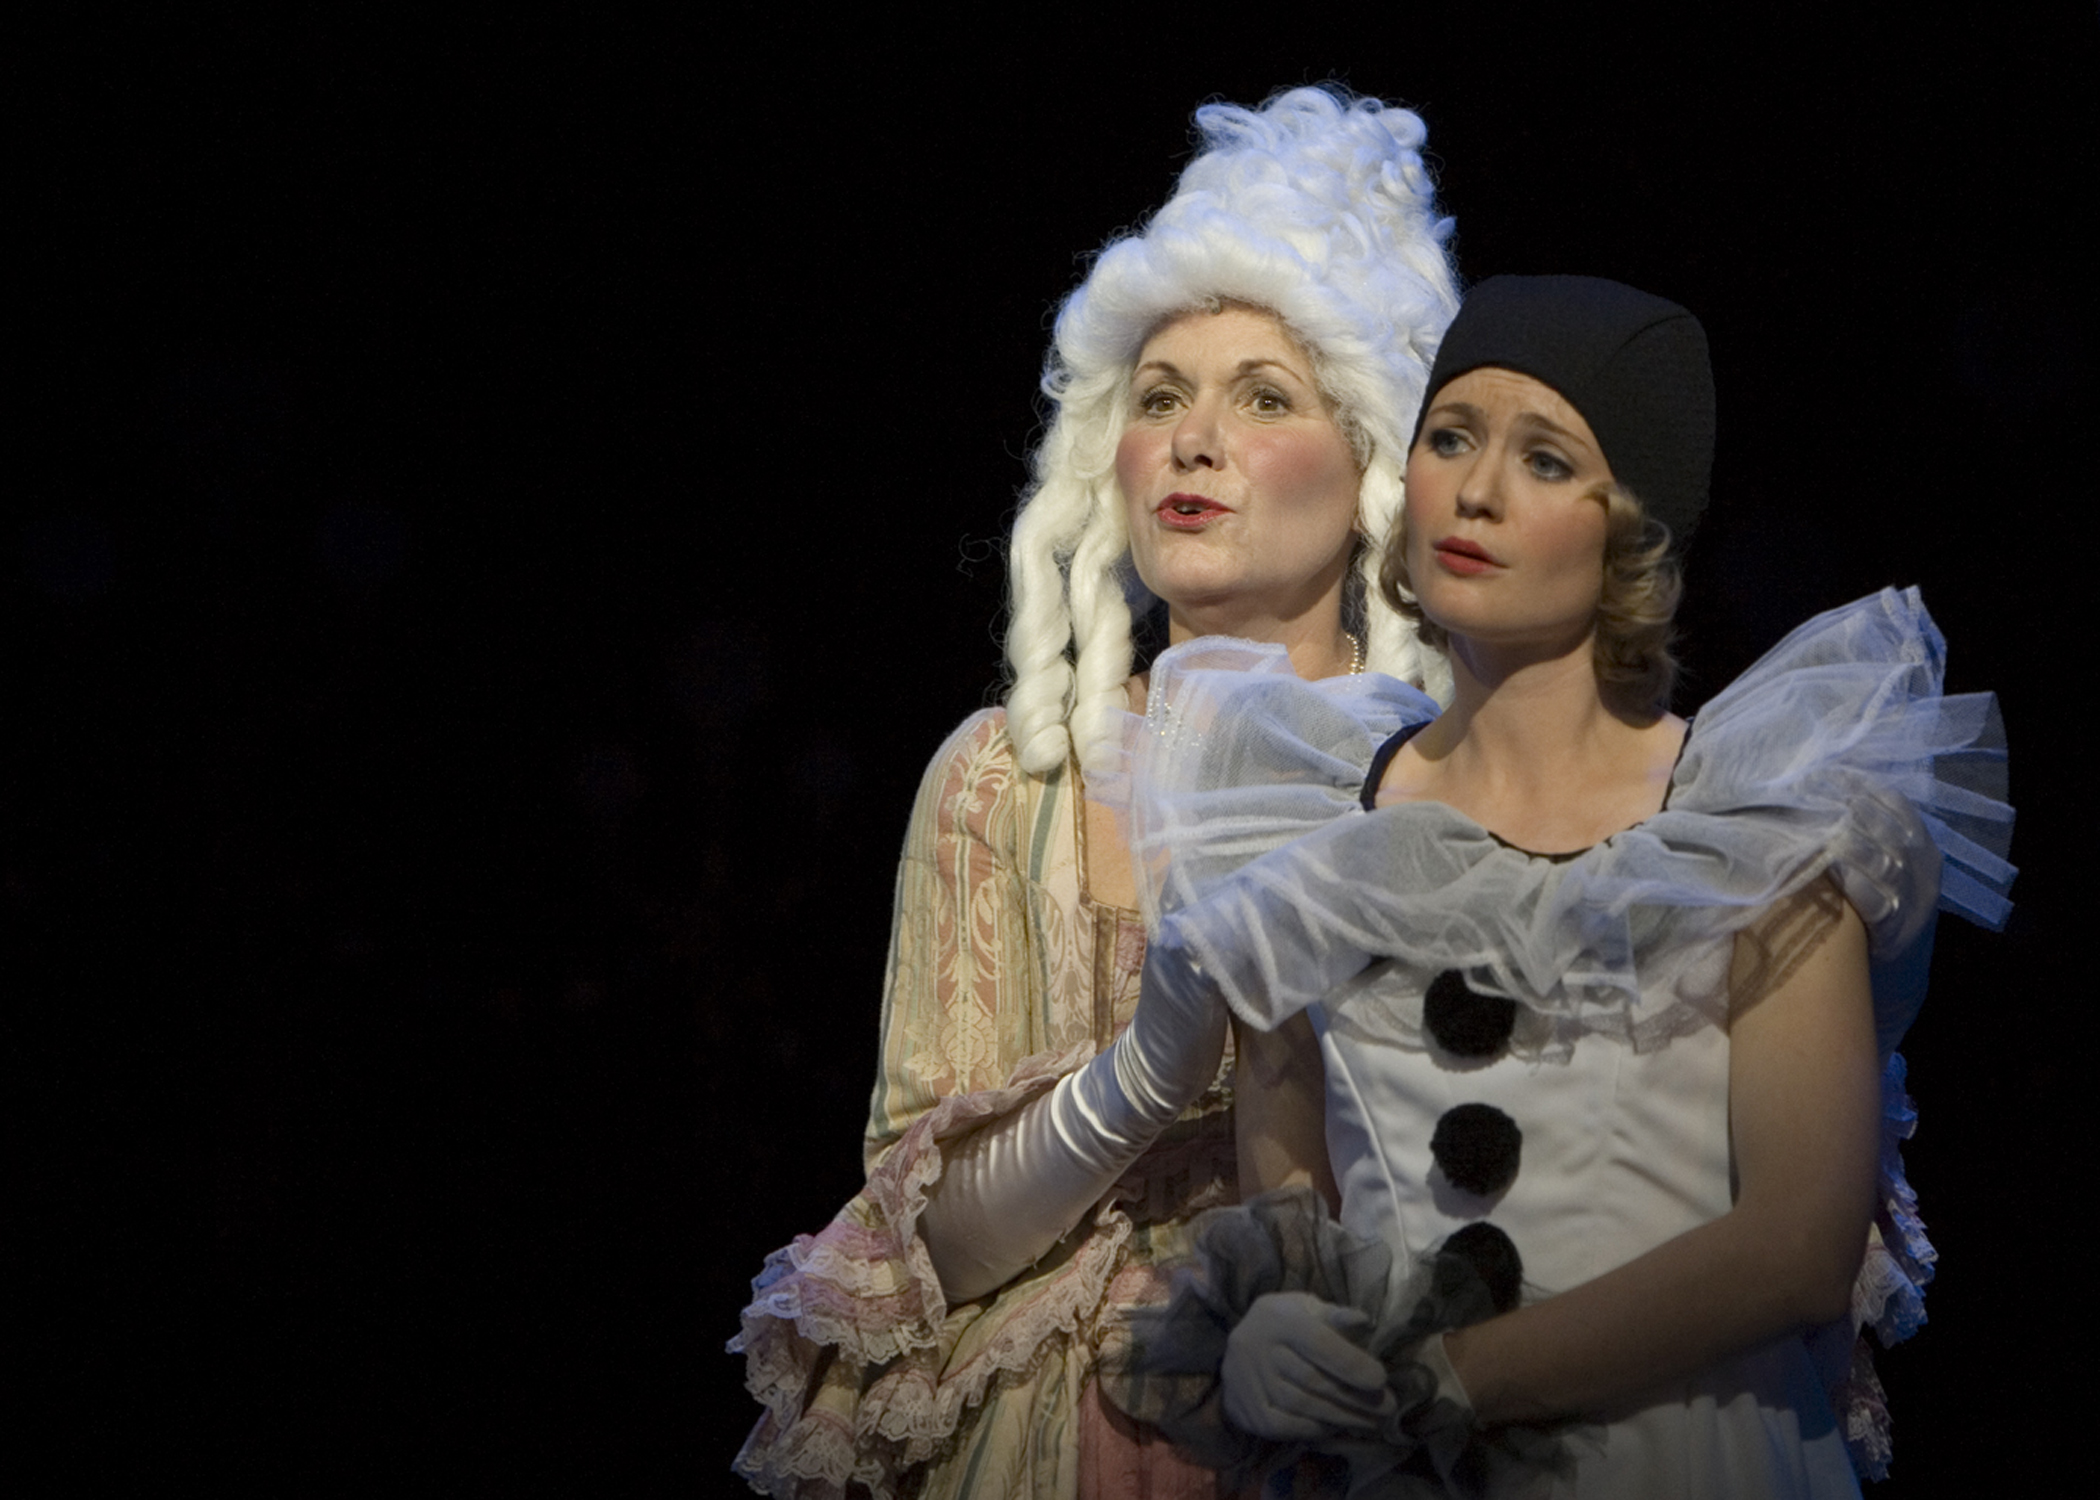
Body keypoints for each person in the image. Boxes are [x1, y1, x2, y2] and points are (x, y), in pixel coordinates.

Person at [1109, 275, 2015, 1496]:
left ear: (1631, 530)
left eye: (1545, 460)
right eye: (1450, 438)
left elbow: (1798, 1245)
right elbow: (1294, 1205)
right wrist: (1272, 1328)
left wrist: (1459, 1377)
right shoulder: (1301, 821)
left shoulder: (1758, 823)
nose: (1476, 490)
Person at [730, 88, 1461, 1499]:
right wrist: (1143, 1073)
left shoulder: (1446, 784)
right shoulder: (1011, 780)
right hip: (1055, 1445)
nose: (1193, 440)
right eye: (1161, 398)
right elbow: (922, 1251)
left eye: (1264, 398)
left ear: (1371, 459)